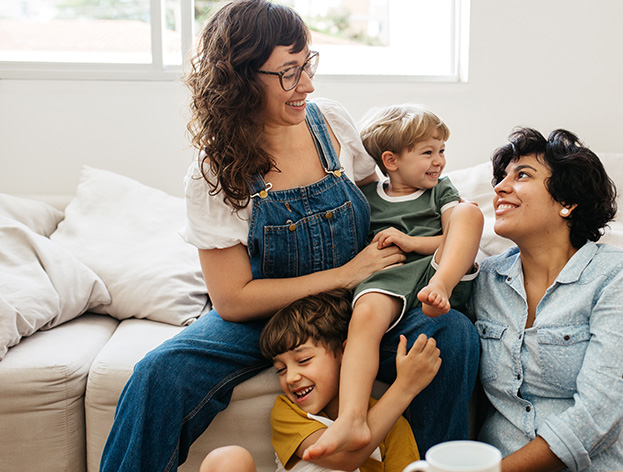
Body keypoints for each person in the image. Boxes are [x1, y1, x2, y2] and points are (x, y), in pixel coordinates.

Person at [98, 2, 479, 470]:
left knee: (451, 335)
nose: (307, 85)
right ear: (240, 80)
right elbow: (232, 300)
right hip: (269, 316)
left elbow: (380, 205)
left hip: (361, 303)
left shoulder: (332, 123)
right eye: (288, 73)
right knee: (160, 373)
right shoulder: (214, 173)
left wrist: (423, 246)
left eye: (307, 65)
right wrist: (342, 274)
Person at [470, 127, 623, 472]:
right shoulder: (486, 279)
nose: (500, 187)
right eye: (501, 177)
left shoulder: (620, 276)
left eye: (522, 175)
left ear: (567, 202)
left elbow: (599, 414)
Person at [307, 104, 484, 459]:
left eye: (442, 151)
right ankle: (352, 418)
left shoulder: (441, 191)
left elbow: (454, 237)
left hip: (437, 272)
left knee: (469, 212)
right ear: (390, 160)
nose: (439, 161)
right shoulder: (368, 197)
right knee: (365, 316)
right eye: (428, 153)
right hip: (390, 276)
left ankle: (441, 288)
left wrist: (412, 242)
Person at [199, 289, 439, 472]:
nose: (291, 377)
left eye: (303, 360)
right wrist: (404, 388)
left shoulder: (392, 424)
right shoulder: (289, 412)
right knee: (227, 460)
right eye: (280, 370)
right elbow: (343, 458)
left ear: (345, 353)